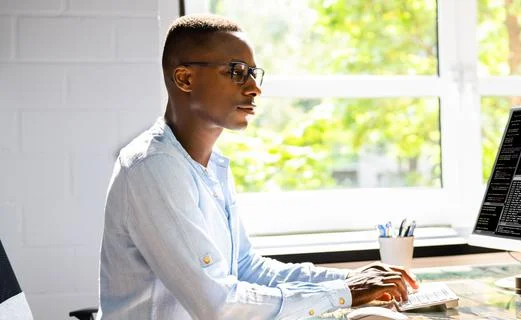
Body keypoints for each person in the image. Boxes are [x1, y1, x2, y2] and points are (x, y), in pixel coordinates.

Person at [98, 14, 417, 319]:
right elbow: (219, 307)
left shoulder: (211, 166)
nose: (254, 88)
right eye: (236, 71)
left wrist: (352, 279)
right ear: (185, 78)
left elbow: (247, 268)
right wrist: (344, 292)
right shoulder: (153, 168)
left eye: (254, 73)